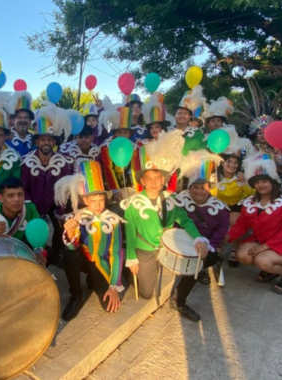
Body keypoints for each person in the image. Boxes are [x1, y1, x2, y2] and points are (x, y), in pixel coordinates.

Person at [121, 144, 209, 322]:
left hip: (165, 247)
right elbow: (130, 232)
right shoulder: (133, 203)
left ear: (163, 180)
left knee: (190, 263)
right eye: (149, 179)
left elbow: (185, 220)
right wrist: (132, 257)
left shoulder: (172, 199)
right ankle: (128, 273)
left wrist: (198, 238)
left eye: (157, 178)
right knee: (147, 293)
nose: (153, 183)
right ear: (142, 181)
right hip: (143, 249)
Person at [225, 154, 282, 295]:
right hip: (265, 242)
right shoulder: (251, 203)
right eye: (257, 182)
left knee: (262, 260)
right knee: (242, 254)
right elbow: (241, 225)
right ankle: (271, 270)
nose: (261, 185)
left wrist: (263, 247)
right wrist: (227, 237)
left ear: (273, 182)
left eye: (264, 181)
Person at [56, 161, 127, 320]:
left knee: (109, 308)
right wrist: (70, 232)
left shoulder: (113, 220)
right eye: (93, 201)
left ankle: (94, 279)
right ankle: (76, 294)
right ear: (86, 200)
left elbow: (116, 253)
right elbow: (73, 248)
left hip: (101, 263)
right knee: (69, 255)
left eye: (101, 200)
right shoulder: (77, 217)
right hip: (81, 260)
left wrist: (114, 286)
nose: (98, 205)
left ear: (105, 198)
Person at [172, 153, 229, 312]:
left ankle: (180, 300)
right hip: (182, 241)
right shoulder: (179, 200)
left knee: (197, 265)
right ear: (189, 187)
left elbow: (223, 227)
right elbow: (175, 222)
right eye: (195, 187)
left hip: (207, 245)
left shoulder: (219, 206)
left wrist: (210, 245)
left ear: (209, 188)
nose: (198, 191)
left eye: (202, 187)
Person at [21, 104, 75, 266]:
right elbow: (24, 188)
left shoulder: (64, 162)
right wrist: (31, 211)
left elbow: (65, 189)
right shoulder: (26, 162)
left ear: (54, 142)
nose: (46, 143)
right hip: (33, 207)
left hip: (55, 205)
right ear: (37, 141)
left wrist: (60, 212)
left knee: (60, 226)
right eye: (43, 139)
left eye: (49, 139)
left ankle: (57, 252)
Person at [99, 106, 138, 191]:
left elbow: (134, 167)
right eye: (119, 132)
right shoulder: (106, 147)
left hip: (128, 184)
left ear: (129, 135)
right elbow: (108, 169)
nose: (122, 135)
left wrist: (137, 187)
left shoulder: (134, 147)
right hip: (110, 185)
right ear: (115, 134)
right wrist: (115, 190)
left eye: (125, 132)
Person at [170, 85, 208, 154]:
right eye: (179, 113)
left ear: (189, 117)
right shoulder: (167, 133)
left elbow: (204, 156)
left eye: (185, 113)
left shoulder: (198, 134)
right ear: (174, 116)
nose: (182, 115)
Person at [6, 91, 35, 156]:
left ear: (30, 122)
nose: (22, 120)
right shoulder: (6, 137)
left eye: (26, 117)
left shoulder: (35, 140)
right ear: (13, 120)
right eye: (19, 117)